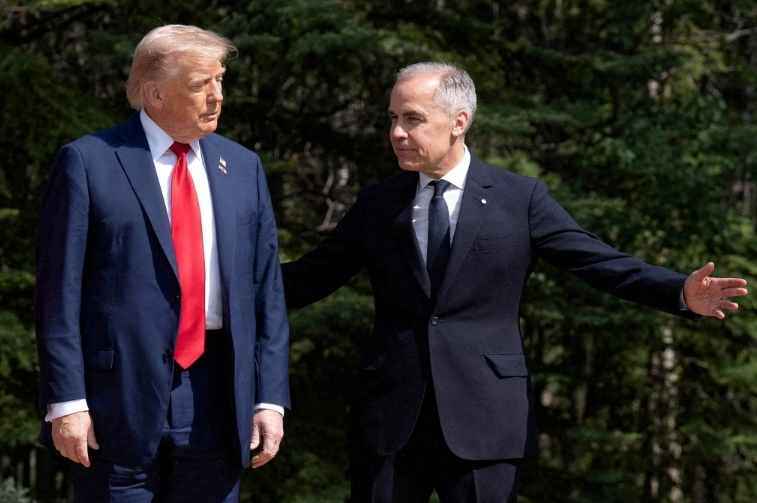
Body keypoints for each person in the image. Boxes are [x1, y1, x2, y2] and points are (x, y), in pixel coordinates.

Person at [281, 62, 748, 503]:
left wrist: (677, 292)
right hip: (390, 418)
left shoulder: (519, 199)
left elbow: (597, 261)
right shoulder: (378, 203)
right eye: (393, 118)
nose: (397, 133)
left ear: (458, 122)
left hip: (486, 419)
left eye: (412, 119)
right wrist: (239, 288)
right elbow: (307, 278)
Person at [34, 25, 289, 502]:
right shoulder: (89, 161)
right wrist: (66, 400)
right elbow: (57, 293)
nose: (217, 96)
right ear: (154, 92)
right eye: (200, 84)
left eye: (220, 81)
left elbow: (266, 292)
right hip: (115, 402)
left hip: (219, 395)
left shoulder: (243, 167)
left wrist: (270, 397)